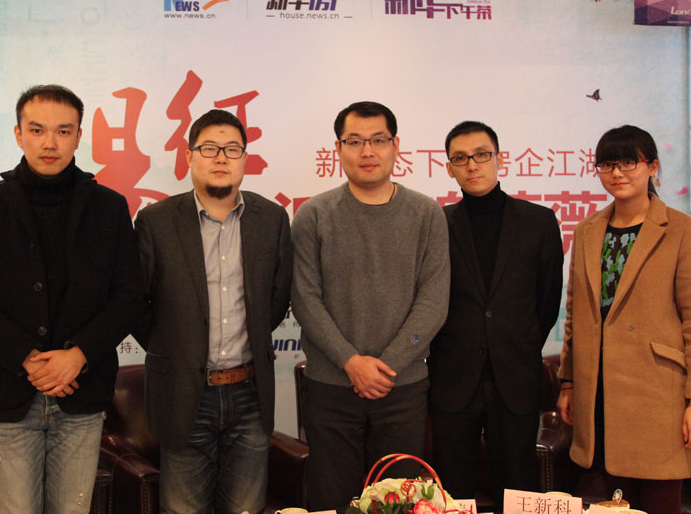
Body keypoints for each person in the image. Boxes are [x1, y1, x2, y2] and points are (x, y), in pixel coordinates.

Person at [0, 84, 142, 514]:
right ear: (19, 134)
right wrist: (28, 358)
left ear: (78, 136)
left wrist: (78, 355)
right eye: (37, 130)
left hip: (82, 392)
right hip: (8, 392)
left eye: (63, 131)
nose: (50, 143)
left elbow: (129, 296)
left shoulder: (109, 207)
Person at [291, 101, 450, 511]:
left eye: (378, 140)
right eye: (355, 141)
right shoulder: (313, 215)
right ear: (338, 149)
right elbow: (305, 298)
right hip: (331, 387)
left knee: (399, 502)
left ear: (395, 146)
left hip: (403, 386)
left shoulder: (426, 213)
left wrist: (387, 366)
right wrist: (351, 362)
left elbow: (433, 302)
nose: (367, 151)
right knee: (333, 500)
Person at [557, 125, 691, 514]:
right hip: (600, 396)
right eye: (607, 164)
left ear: (652, 167)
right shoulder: (587, 231)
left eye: (628, 162)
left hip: (659, 395)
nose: (617, 173)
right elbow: (576, 315)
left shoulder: (683, 231)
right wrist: (569, 383)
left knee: (661, 503)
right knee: (617, 504)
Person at [133, 109, 292, 514]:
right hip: (184, 392)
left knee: (246, 508)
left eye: (232, 149)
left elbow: (276, 300)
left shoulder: (272, 218)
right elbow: (137, 305)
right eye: (209, 148)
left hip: (249, 393)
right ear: (189, 157)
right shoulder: (156, 222)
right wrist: (177, 350)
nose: (221, 157)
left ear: (244, 159)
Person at [428, 121, 563, 501]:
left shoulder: (538, 221)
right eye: (460, 158)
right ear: (449, 167)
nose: (472, 165)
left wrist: (518, 343)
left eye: (481, 155)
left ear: (499, 159)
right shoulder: (436, 223)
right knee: (452, 492)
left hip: (515, 378)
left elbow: (547, 301)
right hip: (453, 379)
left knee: (517, 489)